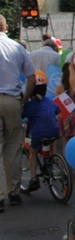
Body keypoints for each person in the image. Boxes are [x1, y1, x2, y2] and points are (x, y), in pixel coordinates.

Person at [0, 15, 36, 212]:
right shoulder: (16, 47)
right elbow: (31, 77)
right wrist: (24, 98)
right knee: (13, 147)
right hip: (12, 99)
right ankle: (13, 191)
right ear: (6, 27)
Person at [21, 71, 60, 191]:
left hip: (37, 133)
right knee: (52, 137)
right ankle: (53, 159)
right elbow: (57, 111)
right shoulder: (50, 101)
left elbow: (22, 116)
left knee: (33, 152)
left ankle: (33, 177)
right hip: (54, 131)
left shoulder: (29, 105)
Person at [54, 63, 75, 152]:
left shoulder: (60, 88)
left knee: (65, 142)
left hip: (64, 116)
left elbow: (57, 105)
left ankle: (66, 164)